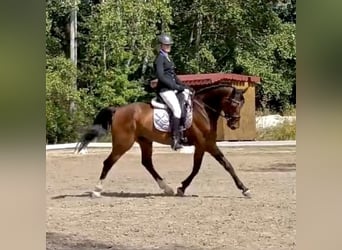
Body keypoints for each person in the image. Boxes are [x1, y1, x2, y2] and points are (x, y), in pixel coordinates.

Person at [153, 34, 189, 150]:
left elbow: (173, 75)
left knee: (186, 101)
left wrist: (183, 85)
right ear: (160, 46)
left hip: (172, 88)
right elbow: (161, 77)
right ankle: (174, 140)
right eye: (166, 44)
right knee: (177, 110)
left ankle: (183, 134)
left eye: (169, 44)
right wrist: (175, 86)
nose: (168, 46)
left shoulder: (168, 58)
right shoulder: (159, 59)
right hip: (165, 90)